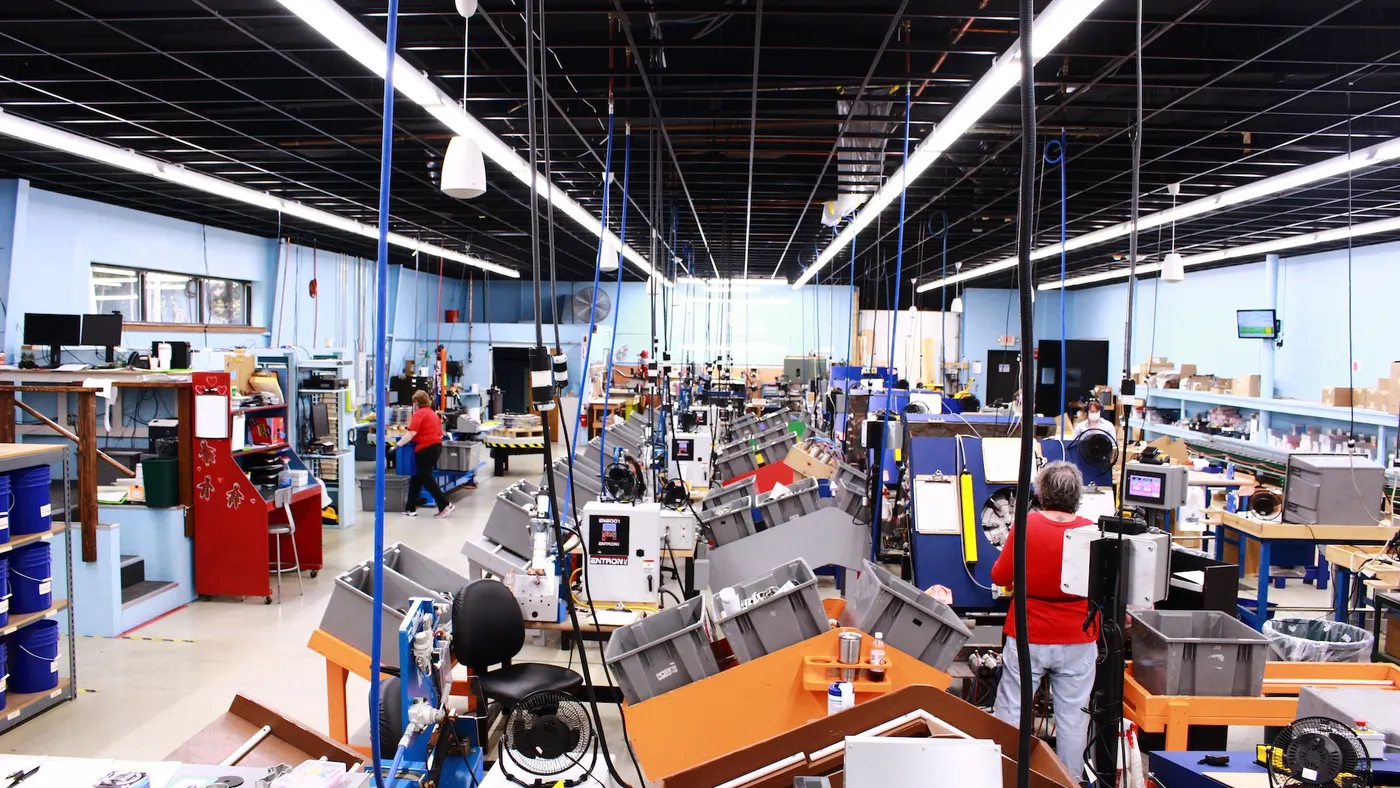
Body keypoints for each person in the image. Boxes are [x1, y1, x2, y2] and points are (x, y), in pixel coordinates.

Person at [991, 461, 1096, 781]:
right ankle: (1068, 781)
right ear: (1077, 495)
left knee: (1011, 711)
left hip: (1029, 635)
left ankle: (1005, 777)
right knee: (1073, 720)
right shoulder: (1091, 530)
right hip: (1078, 637)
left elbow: (999, 575)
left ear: (1042, 491)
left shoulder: (1027, 525)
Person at [394, 390, 455, 518]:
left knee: (426, 478)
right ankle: (409, 508)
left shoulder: (419, 414)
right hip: (436, 447)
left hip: (425, 448)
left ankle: (445, 504)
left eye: (414, 402)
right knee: (417, 477)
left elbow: (411, 433)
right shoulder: (433, 414)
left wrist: (397, 446)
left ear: (416, 402)